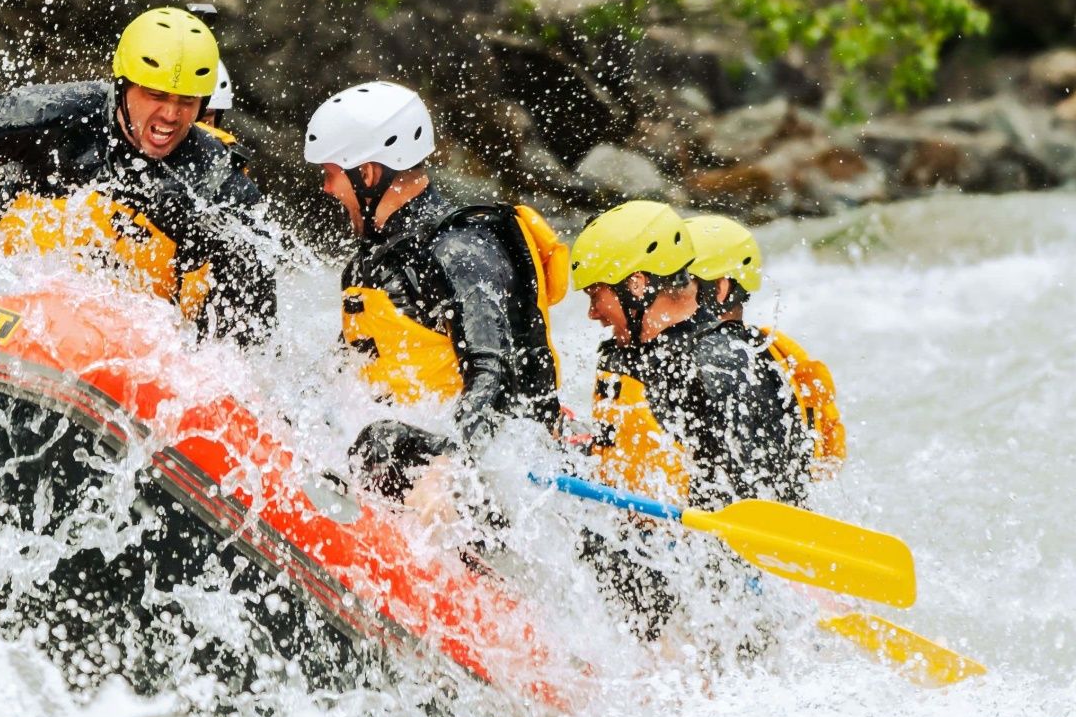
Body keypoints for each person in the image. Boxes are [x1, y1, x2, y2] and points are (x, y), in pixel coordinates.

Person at [0, 7, 275, 345]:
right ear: (123, 86)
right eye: (156, 95)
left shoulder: (215, 181)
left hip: (122, 343)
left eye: (187, 103)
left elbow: (253, 313)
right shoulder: (50, 118)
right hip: (2, 291)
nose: (171, 115)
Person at [301, 80, 571, 501]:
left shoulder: (462, 249)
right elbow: (349, 365)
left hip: (476, 477)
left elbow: (495, 372)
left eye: (331, 175)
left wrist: (453, 465)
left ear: (367, 173)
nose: (327, 189)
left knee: (382, 440)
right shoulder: (374, 260)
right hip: (408, 450)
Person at [573, 201, 811, 511]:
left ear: (636, 284)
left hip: (685, 550)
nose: (592, 313)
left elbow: (764, 491)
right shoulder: (641, 353)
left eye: (595, 295)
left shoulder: (722, 362)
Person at [686, 214, 846, 479]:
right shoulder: (778, 351)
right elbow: (830, 459)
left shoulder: (719, 362)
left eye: (680, 283)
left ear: (720, 289)